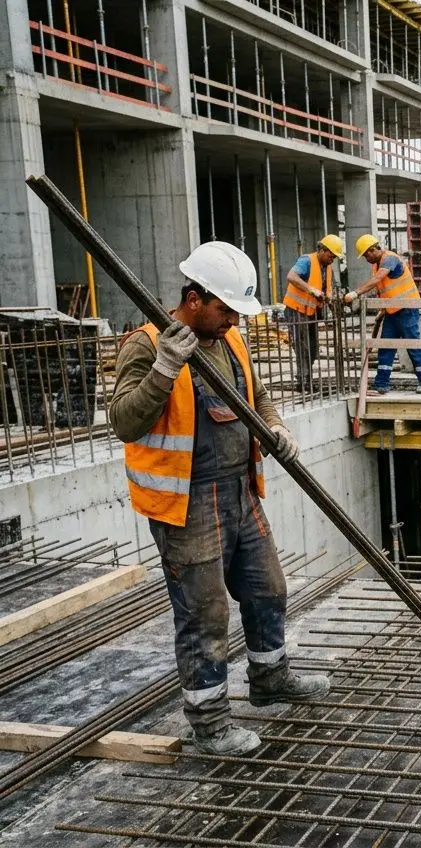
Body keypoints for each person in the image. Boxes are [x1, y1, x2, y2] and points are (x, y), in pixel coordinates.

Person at [108, 241, 330, 757]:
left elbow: (257, 396)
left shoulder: (231, 340)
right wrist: (164, 370)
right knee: (204, 616)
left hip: (239, 489)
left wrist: (273, 425)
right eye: (225, 308)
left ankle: (270, 678)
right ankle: (209, 724)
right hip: (186, 504)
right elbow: (124, 422)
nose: (233, 319)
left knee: (268, 589)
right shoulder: (146, 344)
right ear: (193, 298)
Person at [343, 234, 421, 395]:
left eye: (366, 255)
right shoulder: (376, 264)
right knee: (386, 346)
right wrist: (382, 310)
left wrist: (355, 293)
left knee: (413, 345)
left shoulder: (389, 259)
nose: (366, 258)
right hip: (392, 311)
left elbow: (378, 279)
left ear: (373, 249)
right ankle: (381, 383)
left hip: (407, 309)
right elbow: (386, 290)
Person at [281, 234, 343, 392]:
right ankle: (303, 382)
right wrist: (311, 290)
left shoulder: (327, 268)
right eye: (331, 255)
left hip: (312, 312)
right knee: (302, 347)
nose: (332, 259)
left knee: (313, 348)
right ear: (322, 250)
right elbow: (291, 276)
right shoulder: (306, 260)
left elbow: (327, 289)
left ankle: (306, 378)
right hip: (296, 310)